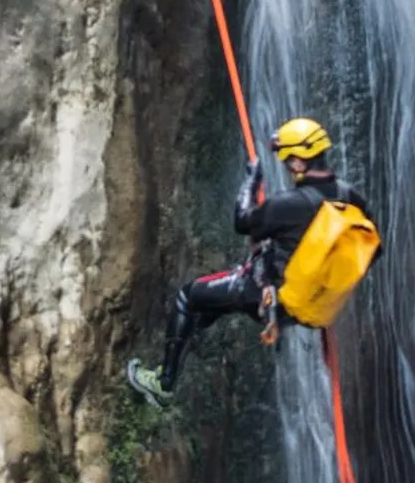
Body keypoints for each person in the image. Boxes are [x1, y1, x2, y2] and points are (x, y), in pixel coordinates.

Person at [127, 117, 377, 408]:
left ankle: (163, 384)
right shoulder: (350, 197)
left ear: (298, 163)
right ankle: (193, 327)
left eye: (286, 161)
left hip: (266, 298)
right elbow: (369, 249)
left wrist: (251, 179)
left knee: (188, 297)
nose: (285, 166)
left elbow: (242, 221)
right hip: (309, 306)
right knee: (218, 297)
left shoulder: (288, 204)